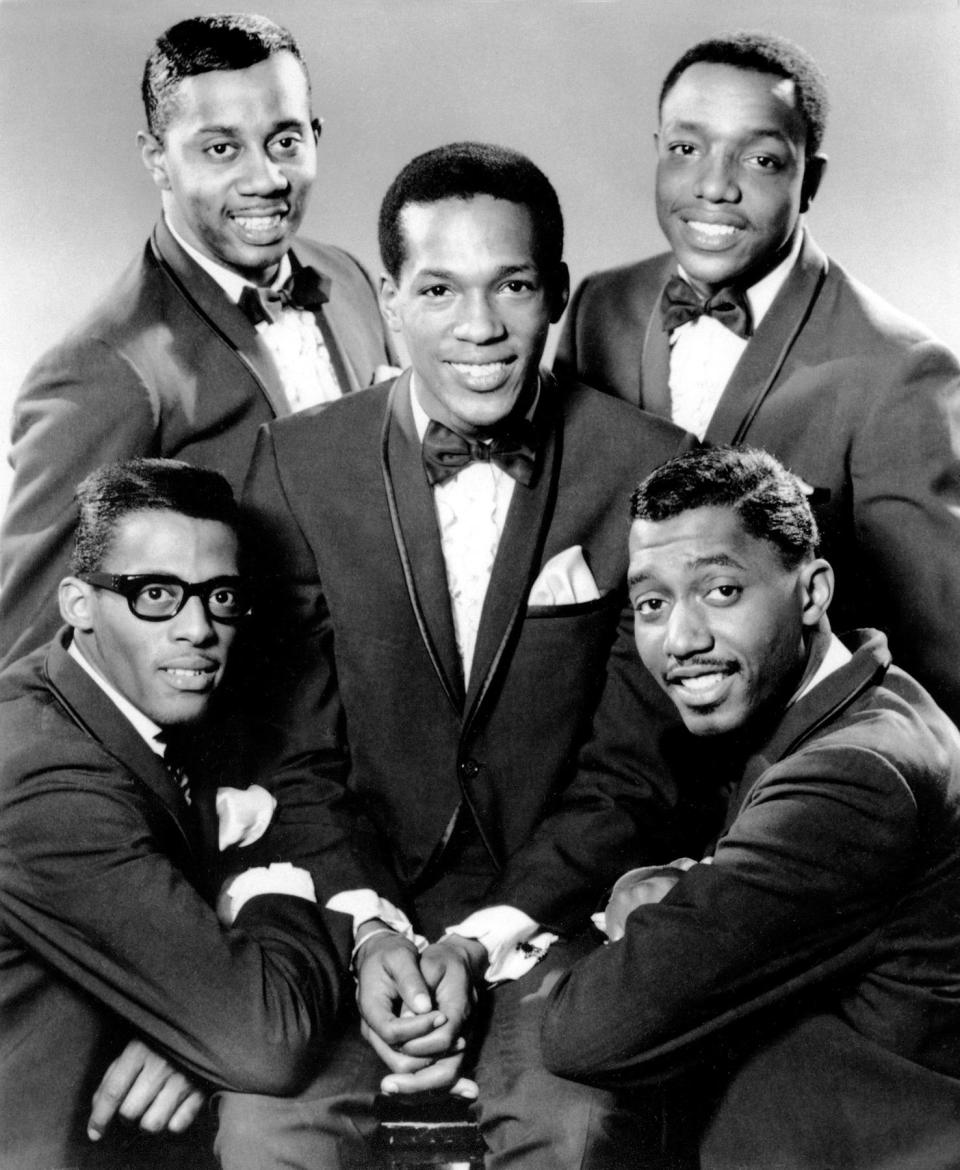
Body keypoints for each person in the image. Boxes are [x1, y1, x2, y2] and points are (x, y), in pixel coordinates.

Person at [231, 141, 695, 1168]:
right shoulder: (297, 462)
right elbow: (288, 753)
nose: (479, 328)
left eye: (513, 287)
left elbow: (631, 772)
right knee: (272, 1132)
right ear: (390, 302)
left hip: (554, 914)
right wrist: (368, 929)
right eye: (439, 289)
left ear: (558, 294)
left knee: (571, 1127)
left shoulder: (654, 469)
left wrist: (483, 937)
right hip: (348, 908)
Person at [541, 446, 960, 1170]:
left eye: (722, 592)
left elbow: (589, 1030)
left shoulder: (853, 777)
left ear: (812, 591)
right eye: (651, 604)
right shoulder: (856, 706)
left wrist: (653, 917)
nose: (682, 640)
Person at [554, 30, 960, 725]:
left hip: (783, 785)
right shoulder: (600, 308)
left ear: (812, 182)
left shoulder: (900, 374)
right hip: (604, 763)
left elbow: (937, 675)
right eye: (686, 149)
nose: (714, 185)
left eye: (762, 158)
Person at [0, 13, 395, 669]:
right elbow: (23, 657)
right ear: (157, 159)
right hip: (233, 758)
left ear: (315, 136)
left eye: (285, 141)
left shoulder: (348, 278)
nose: (265, 179)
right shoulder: (104, 369)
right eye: (221, 149)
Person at [0, 458, 344, 1170]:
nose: (197, 629)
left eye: (220, 596)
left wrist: (190, 1032)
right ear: (77, 603)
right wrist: (266, 887)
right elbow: (266, 1041)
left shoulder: (107, 701)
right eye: (155, 593)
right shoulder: (44, 781)